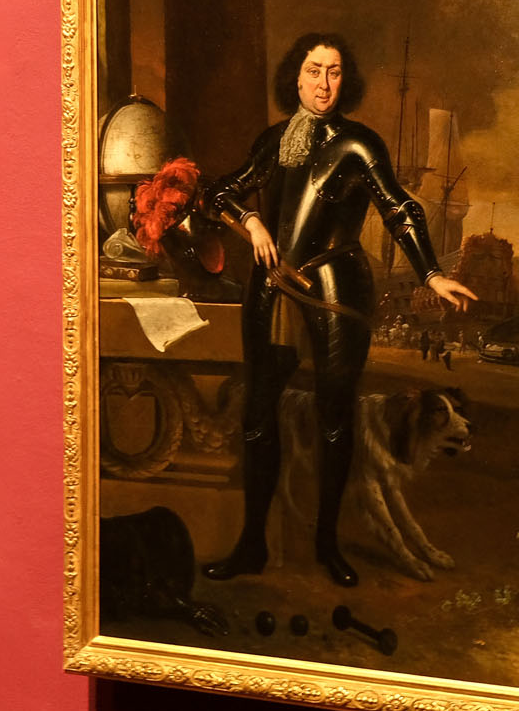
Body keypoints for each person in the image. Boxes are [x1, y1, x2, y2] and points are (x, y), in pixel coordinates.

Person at [203, 33, 477, 587]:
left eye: (333, 72)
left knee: (335, 414)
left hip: (336, 285)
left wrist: (431, 273)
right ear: (296, 77)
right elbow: (218, 193)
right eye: (314, 70)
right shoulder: (275, 141)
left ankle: (327, 545)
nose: (324, 83)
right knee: (258, 415)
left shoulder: (358, 144)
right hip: (273, 283)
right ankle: (252, 545)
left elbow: (399, 208)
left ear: (344, 81)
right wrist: (251, 223)